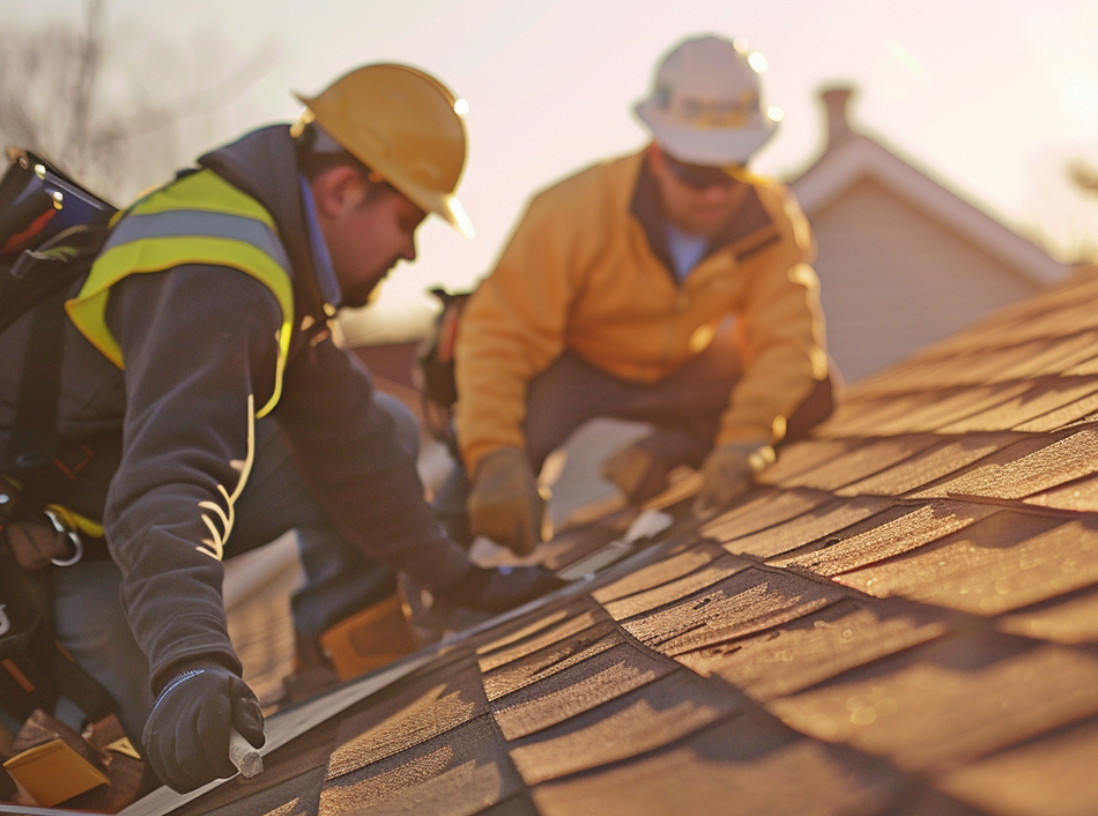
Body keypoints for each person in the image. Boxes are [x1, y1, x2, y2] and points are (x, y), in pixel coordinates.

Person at [0, 63, 560, 794]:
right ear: (342, 189)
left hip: (101, 519)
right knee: (174, 772)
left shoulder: (263, 243)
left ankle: (344, 654)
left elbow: (353, 448)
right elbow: (170, 482)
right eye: (410, 220)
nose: (413, 252)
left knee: (380, 428)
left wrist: (466, 582)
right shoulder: (221, 272)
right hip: (39, 566)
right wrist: (190, 663)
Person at [440, 35, 837, 557]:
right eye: (696, 175)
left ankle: (664, 451)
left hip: (683, 369)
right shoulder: (572, 210)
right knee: (481, 459)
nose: (715, 195)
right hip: (574, 366)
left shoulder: (771, 220)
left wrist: (745, 437)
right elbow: (500, 333)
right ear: (657, 154)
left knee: (813, 390)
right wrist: (492, 453)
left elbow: (787, 339)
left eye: (731, 172)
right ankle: (438, 581)